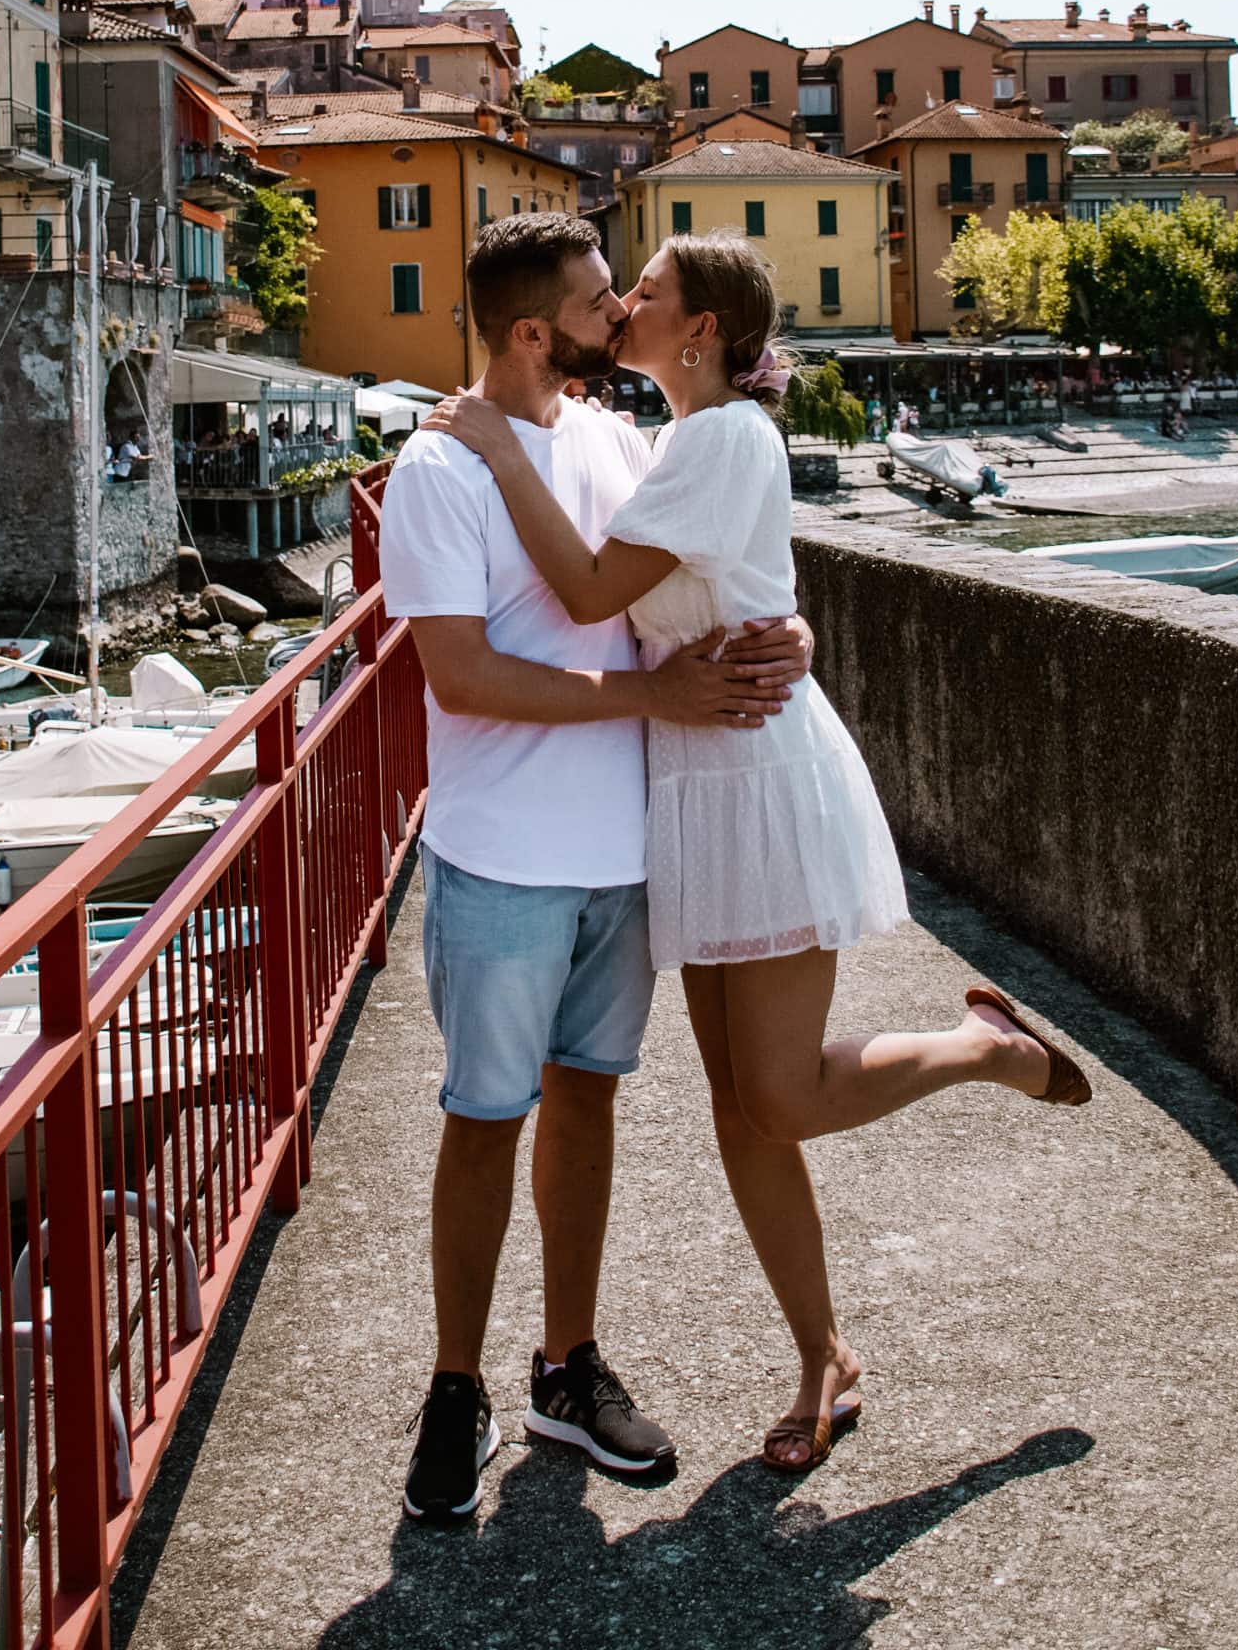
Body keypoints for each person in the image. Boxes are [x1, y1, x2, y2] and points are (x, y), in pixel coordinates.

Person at [427, 230, 1091, 1478]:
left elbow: (584, 593)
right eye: (615, 289)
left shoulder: (724, 434)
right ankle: (821, 1357)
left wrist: (494, 444)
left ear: (703, 331)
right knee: (742, 1114)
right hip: (695, 784)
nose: (624, 301)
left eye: (651, 291)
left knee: (777, 1095)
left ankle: (983, 1048)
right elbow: (728, 586)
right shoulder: (666, 440)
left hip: (760, 784)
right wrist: (787, 621)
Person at [379, 214, 817, 1524]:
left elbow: (700, 578)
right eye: (592, 303)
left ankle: (563, 1372)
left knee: (586, 1109)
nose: (615, 317)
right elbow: (459, 676)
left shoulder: (619, 440)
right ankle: (454, 1389)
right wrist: (649, 702)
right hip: (502, 859)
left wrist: (785, 632)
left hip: (623, 857)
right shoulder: (438, 470)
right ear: (534, 332)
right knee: (483, 1119)